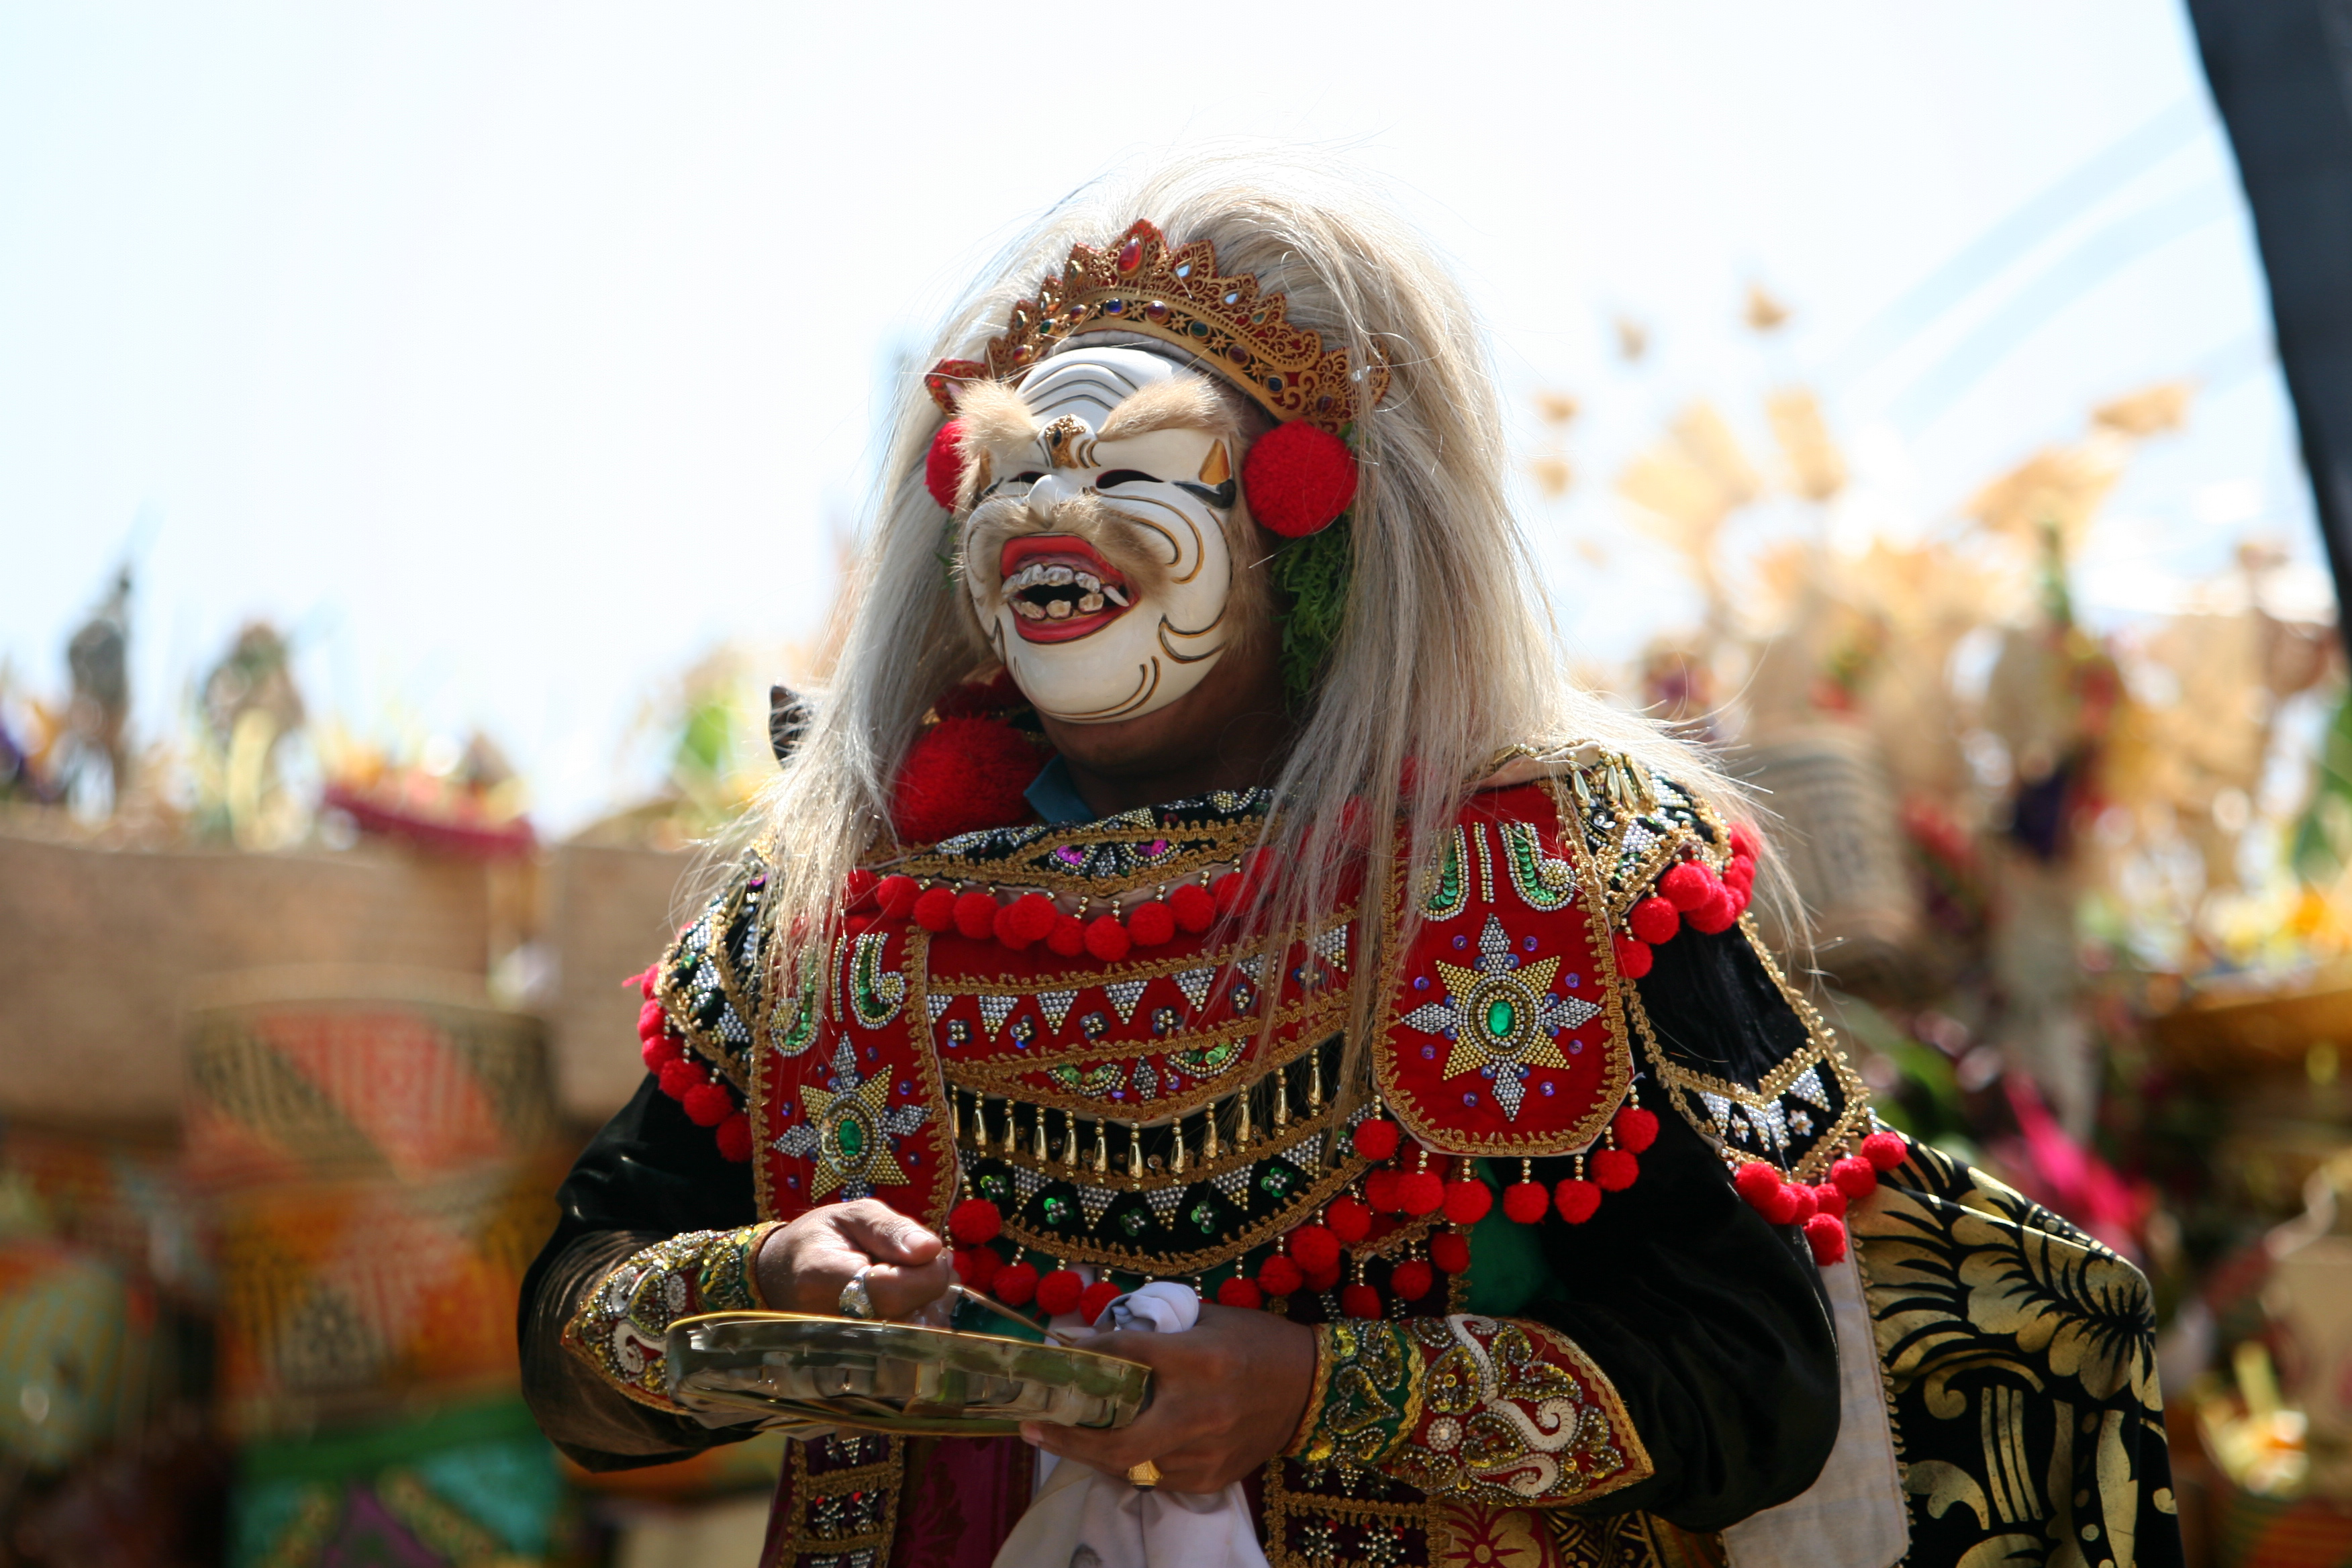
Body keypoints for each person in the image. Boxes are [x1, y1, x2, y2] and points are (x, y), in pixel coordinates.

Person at [520, 155, 2182, 1568]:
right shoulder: (829, 918)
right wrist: (764, 1278)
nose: (1049, 516)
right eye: (1019, 471)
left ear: (1302, 540)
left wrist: (1323, 1394)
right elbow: (575, 1347)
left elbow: (1756, 1374)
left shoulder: (1532, 873)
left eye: (1130, 474)